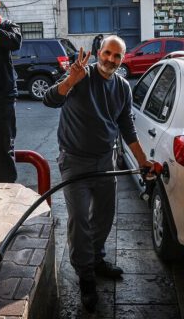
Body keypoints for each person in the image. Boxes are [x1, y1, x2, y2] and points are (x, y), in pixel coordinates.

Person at [43, 35, 154, 313]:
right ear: (98, 53)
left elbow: (126, 125)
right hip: (75, 161)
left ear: (122, 59)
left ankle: (97, 259)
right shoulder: (81, 75)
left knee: (104, 216)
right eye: (107, 53)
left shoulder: (122, 88)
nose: (111, 60)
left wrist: (143, 160)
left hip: (105, 161)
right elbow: (49, 100)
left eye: (117, 56)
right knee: (80, 219)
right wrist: (70, 81)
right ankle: (86, 276)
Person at [0, 0, 22, 182]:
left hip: (4, 96)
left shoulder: (8, 25)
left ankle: (8, 183)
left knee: (5, 143)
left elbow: (16, 41)